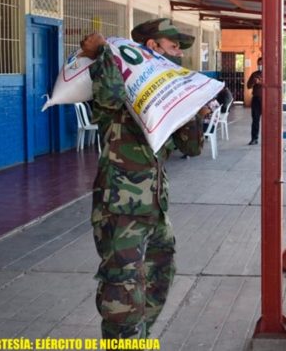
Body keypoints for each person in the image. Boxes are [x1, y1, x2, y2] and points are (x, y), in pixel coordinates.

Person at [78, 18, 203, 339]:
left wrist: (192, 111)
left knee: (161, 273)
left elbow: (191, 148)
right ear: (152, 47)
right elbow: (109, 96)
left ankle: (137, 336)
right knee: (121, 289)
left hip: (154, 208)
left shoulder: (163, 98)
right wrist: (104, 53)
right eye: (173, 46)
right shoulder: (113, 84)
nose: (178, 54)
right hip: (119, 209)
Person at [246, 57, 263, 145]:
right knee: (255, 120)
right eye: (259, 64)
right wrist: (253, 82)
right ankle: (254, 138)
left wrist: (261, 82)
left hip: (266, 100)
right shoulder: (254, 74)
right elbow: (248, 86)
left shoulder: (270, 74)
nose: (260, 65)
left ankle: (270, 139)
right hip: (256, 99)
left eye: (262, 64)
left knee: (269, 121)